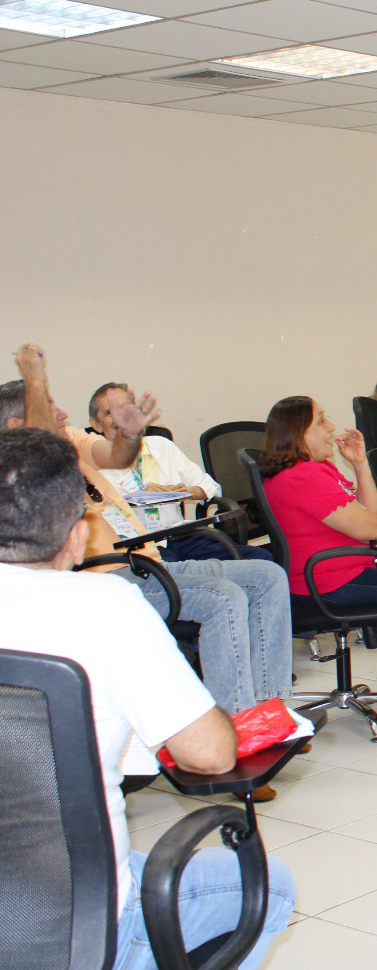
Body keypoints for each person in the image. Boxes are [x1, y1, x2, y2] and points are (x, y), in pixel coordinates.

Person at [0, 426, 295, 968]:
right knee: (268, 884)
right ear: (75, 532)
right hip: (83, 924)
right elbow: (209, 755)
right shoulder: (105, 605)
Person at [3, 348, 293, 718]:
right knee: (221, 599)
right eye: (48, 404)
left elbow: (117, 457)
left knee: (266, 575)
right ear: (17, 426)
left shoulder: (72, 439)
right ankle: (237, 726)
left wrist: (130, 433)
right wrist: (33, 377)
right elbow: (38, 444)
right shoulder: (22, 467)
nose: (61, 414)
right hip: (108, 576)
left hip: (147, 561)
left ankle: (270, 710)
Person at [259, 396, 377, 724]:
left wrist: (360, 464)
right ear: (299, 433)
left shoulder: (314, 469)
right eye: (321, 421)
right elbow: (372, 528)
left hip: (341, 572)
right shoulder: (301, 476)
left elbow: (368, 521)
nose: (331, 427)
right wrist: (368, 526)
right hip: (331, 582)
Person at [88, 381, 274, 563]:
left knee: (260, 560)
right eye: (109, 413)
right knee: (183, 581)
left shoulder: (161, 446)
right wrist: (137, 496)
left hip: (182, 537)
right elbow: (100, 517)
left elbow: (211, 487)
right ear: (96, 425)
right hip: (141, 547)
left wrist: (185, 491)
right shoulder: (91, 465)